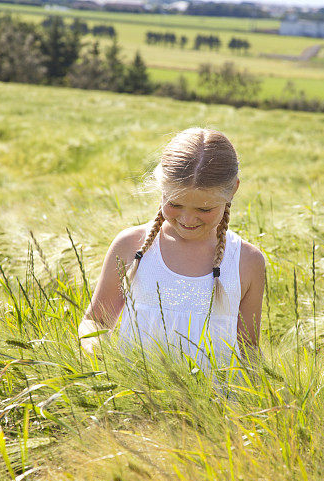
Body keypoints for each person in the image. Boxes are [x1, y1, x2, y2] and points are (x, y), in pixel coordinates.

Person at [77, 127, 266, 376]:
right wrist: (94, 347)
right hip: (135, 396)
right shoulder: (131, 246)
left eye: (204, 208)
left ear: (232, 190)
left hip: (214, 406)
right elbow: (96, 320)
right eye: (175, 204)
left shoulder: (246, 262)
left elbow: (248, 350)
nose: (188, 219)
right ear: (161, 187)